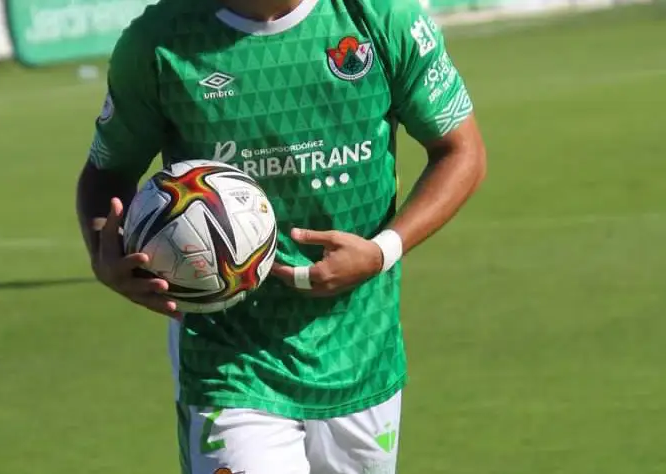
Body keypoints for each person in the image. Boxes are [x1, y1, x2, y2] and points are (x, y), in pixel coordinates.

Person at [76, 0, 487, 471]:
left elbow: (461, 151)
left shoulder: (381, 17)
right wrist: (103, 255)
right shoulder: (159, 41)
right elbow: (106, 174)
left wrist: (380, 251)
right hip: (229, 357)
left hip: (360, 348)